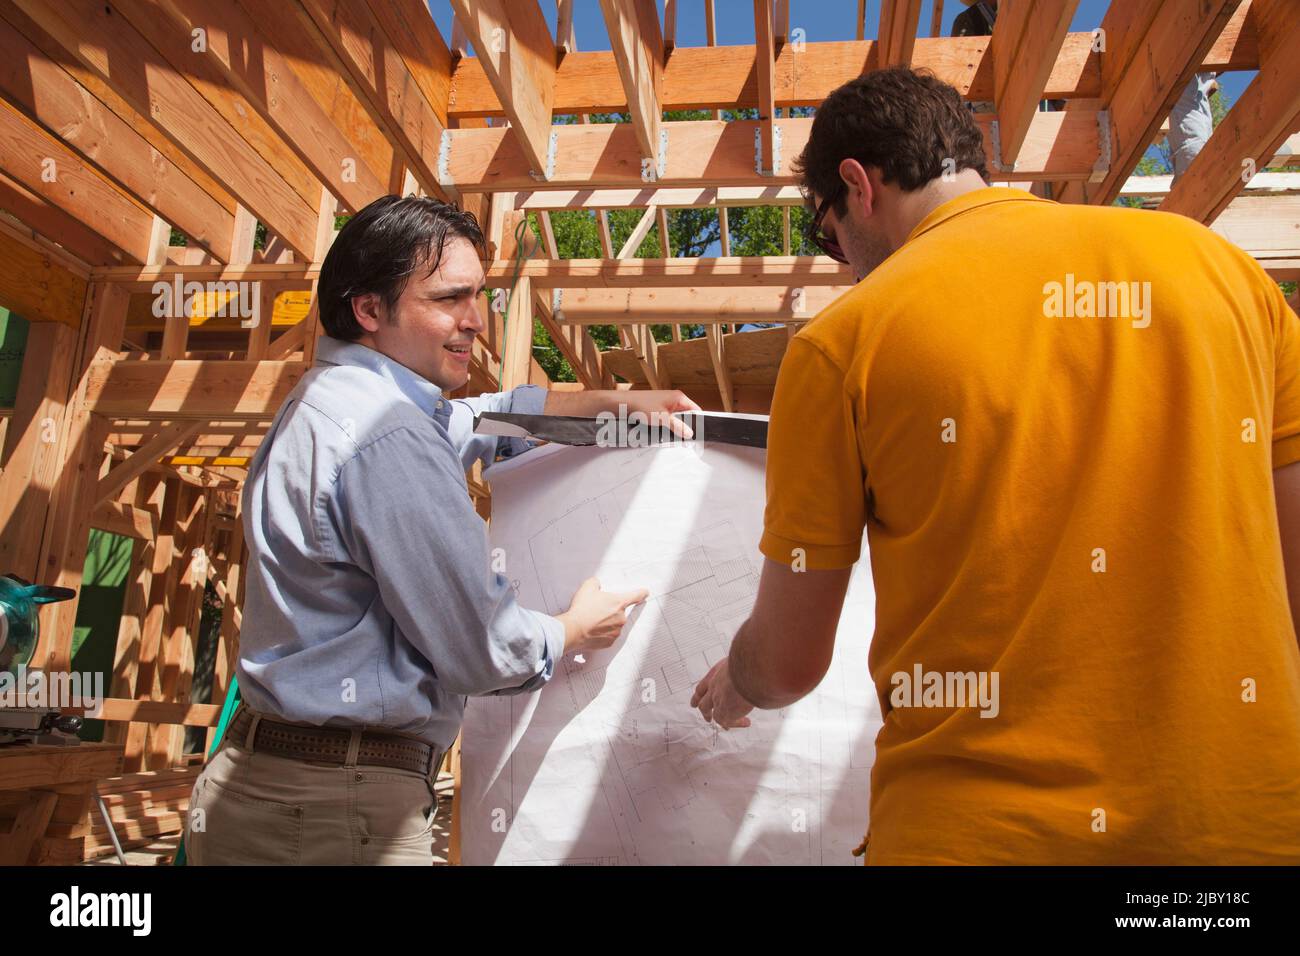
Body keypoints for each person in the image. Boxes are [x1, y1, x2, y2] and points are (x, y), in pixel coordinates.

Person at [691, 67, 1300, 865]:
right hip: (1241, 834)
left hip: (982, 836)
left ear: (856, 184)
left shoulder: (846, 344)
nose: (840, 264)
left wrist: (736, 684)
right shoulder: (1225, 275)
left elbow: (789, 662)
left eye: (828, 235)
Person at [185, 196, 698, 865]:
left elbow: (481, 420)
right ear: (369, 310)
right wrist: (574, 628)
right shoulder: (386, 436)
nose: (476, 322)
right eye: (451, 299)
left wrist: (612, 406)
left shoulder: (338, 404)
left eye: (478, 296)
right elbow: (479, 648)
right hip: (332, 814)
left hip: (282, 791)